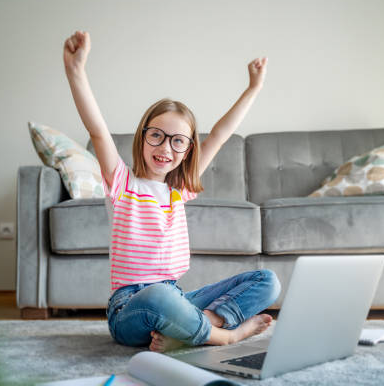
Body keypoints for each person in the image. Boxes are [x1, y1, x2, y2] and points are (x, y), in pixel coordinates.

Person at [63, 30, 281, 352]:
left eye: (178, 140)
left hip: (176, 298)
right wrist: (76, 71)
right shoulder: (123, 184)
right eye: (157, 135)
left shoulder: (179, 190)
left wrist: (253, 88)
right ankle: (226, 335)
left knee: (267, 282)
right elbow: (96, 130)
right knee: (159, 295)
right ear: (142, 137)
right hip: (131, 308)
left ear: (188, 149)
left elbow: (219, 135)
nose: (166, 147)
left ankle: (190, 328)